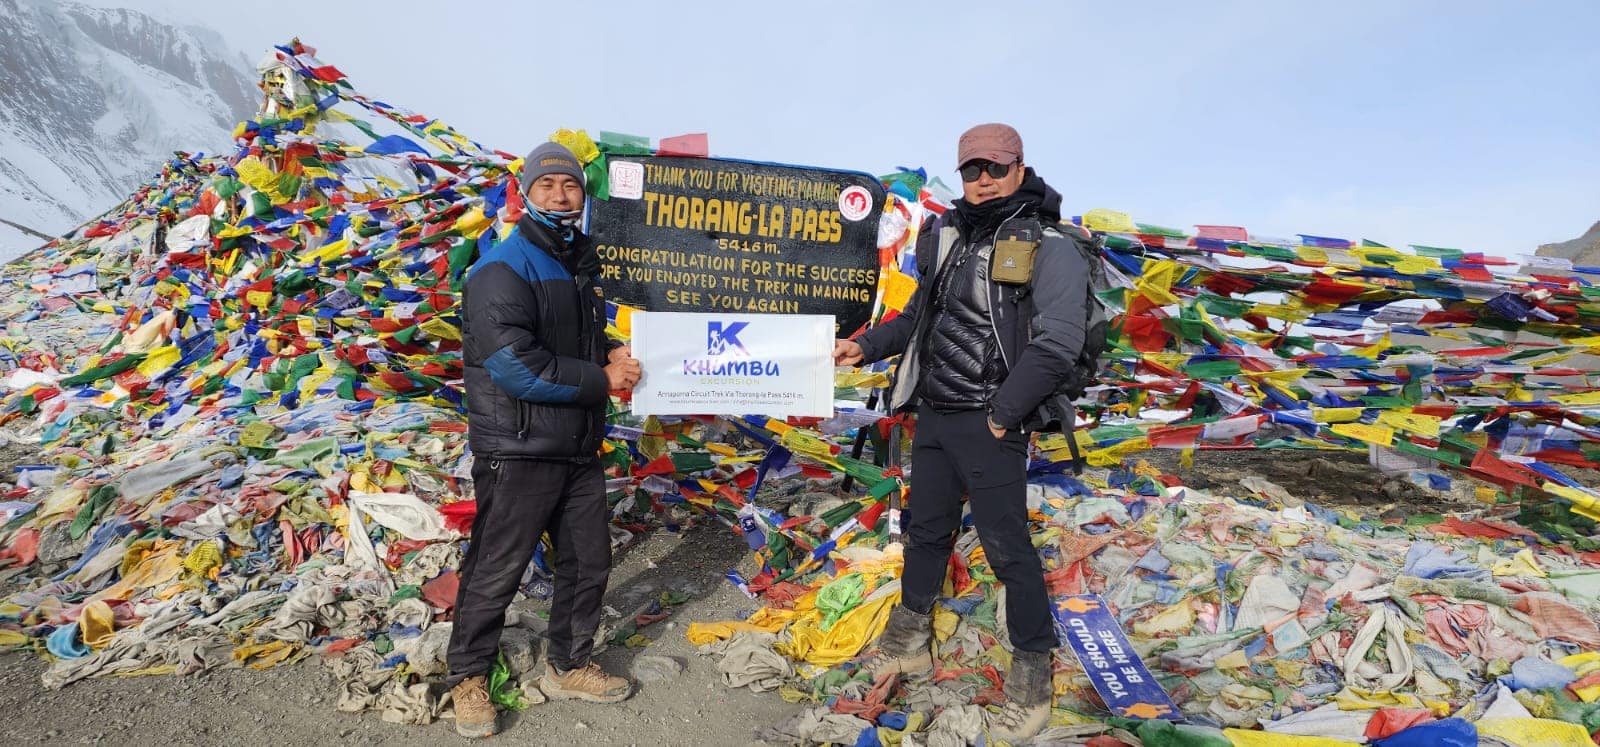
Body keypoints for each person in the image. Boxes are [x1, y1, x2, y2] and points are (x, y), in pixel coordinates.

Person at [832, 123, 1093, 741]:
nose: (981, 181)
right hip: (935, 413)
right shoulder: (944, 237)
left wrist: (1004, 414)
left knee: (1008, 549)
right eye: (970, 170)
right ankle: (909, 641)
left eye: (993, 169)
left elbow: (1059, 343)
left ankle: (1032, 676)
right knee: (924, 532)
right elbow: (920, 318)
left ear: (1020, 168)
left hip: (991, 421)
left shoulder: (1051, 245)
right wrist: (863, 345)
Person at [447, 142, 642, 738]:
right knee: (497, 566)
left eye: (571, 185)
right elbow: (515, 366)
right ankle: (468, 676)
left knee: (587, 563)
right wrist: (602, 378)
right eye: (547, 185)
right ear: (525, 194)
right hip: (520, 447)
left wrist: (607, 349)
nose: (561, 195)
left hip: (576, 447)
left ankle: (570, 662)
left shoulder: (573, 266)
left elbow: (571, 335)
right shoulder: (501, 269)